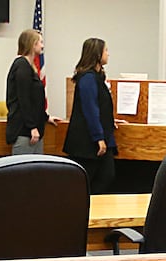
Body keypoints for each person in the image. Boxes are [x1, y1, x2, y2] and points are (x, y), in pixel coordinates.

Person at [63, 37, 122, 194]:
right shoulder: (88, 78)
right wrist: (99, 138)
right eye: (106, 50)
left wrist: (109, 120)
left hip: (99, 136)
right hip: (88, 141)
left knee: (107, 176)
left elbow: (100, 106)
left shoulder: (97, 77)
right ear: (97, 54)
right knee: (87, 180)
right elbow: (90, 108)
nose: (108, 54)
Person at [5, 29, 59, 155]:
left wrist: (46, 117)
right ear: (32, 44)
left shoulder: (30, 67)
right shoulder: (21, 66)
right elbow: (24, 99)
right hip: (25, 131)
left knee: (36, 172)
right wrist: (32, 127)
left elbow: (36, 100)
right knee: (23, 172)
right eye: (40, 42)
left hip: (33, 131)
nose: (42, 46)